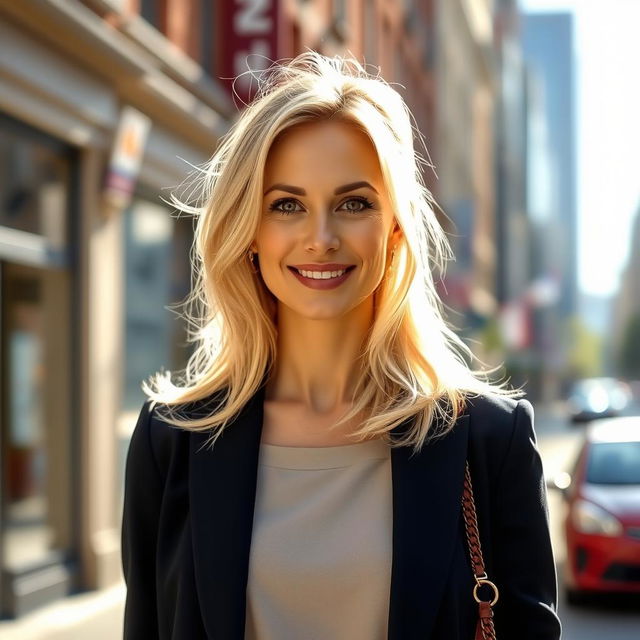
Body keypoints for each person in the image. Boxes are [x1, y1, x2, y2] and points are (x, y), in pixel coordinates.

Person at [121, 52, 562, 640]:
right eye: (287, 205)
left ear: (395, 226)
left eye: (354, 203)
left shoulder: (488, 439)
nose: (321, 238)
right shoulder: (170, 440)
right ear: (249, 230)